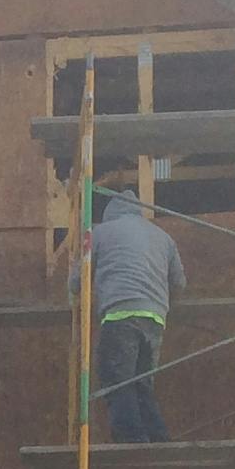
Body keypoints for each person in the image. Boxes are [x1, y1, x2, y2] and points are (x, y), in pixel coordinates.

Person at [79, 186, 184, 443]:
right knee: (141, 384)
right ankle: (157, 439)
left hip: (120, 315)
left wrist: (76, 294)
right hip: (156, 319)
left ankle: (131, 441)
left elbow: (77, 279)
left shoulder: (99, 232)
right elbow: (179, 283)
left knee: (117, 381)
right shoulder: (163, 237)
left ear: (109, 214)